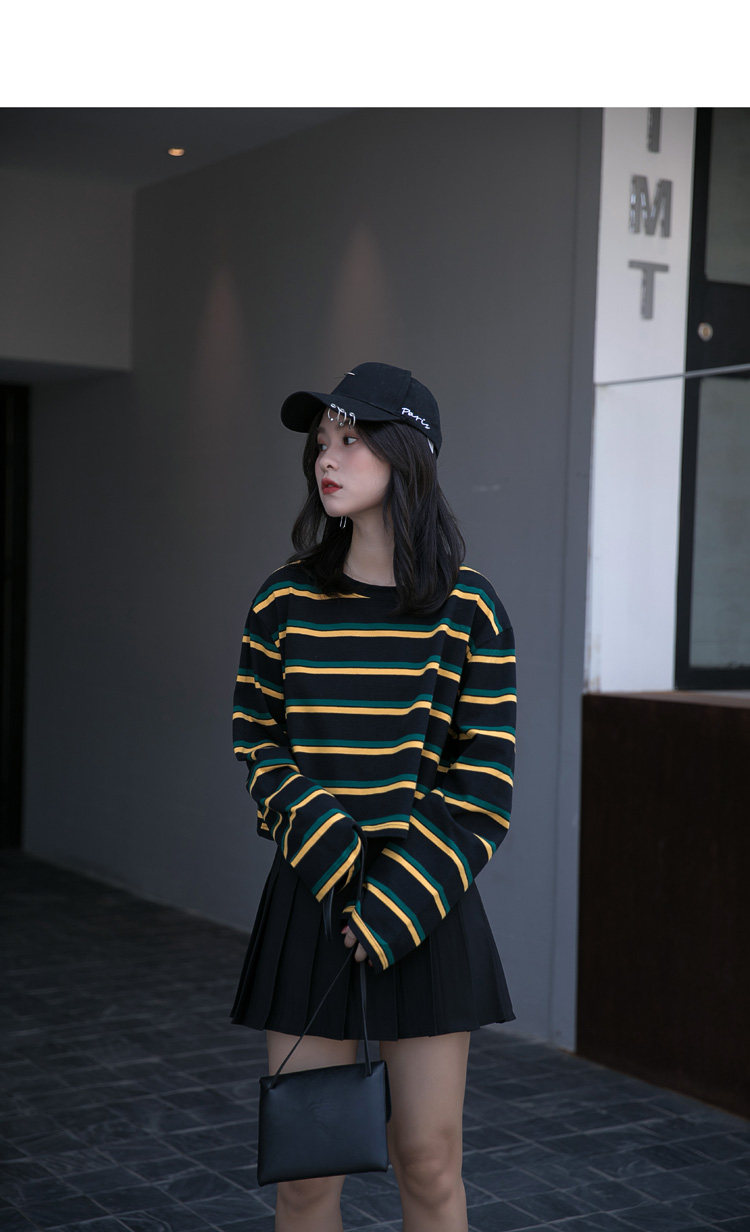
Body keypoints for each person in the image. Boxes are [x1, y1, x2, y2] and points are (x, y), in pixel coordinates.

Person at [231, 362, 516, 1232]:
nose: (328, 457)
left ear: (408, 453)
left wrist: (395, 899)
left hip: (425, 902)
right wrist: (328, 842)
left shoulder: (470, 609)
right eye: (323, 441)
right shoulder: (284, 600)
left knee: (428, 1163)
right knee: (307, 1173)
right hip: (314, 896)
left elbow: (484, 782)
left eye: (351, 439)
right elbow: (257, 740)